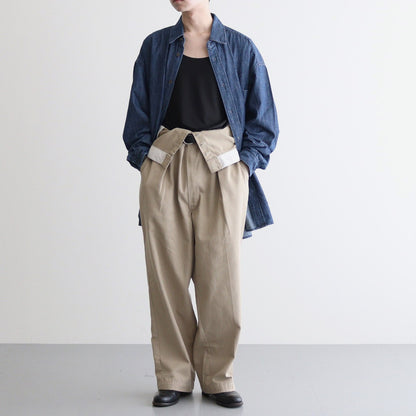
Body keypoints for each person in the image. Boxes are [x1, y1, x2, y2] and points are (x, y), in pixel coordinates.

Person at [122, 0, 279, 408]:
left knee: (221, 279)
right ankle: (173, 376)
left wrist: (243, 167)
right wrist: (146, 163)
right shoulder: (155, 46)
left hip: (222, 168)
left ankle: (217, 377)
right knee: (167, 278)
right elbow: (137, 117)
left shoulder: (240, 48)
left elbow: (263, 122)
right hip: (165, 166)